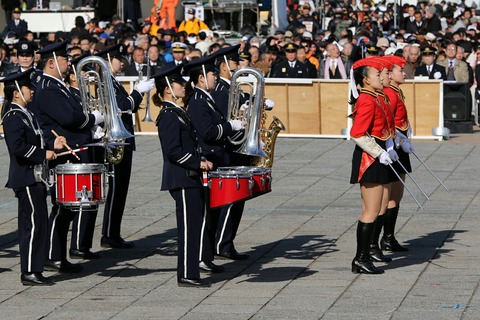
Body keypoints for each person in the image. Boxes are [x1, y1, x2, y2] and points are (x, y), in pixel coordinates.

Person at [30, 41, 104, 272]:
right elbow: (69, 118)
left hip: (73, 149)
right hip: (65, 153)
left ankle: (57, 254)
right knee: (63, 206)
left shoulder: (56, 85)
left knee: (68, 208)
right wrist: (93, 120)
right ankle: (53, 255)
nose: (69, 63)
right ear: (51, 62)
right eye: (65, 59)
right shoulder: (49, 88)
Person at [1, 69, 65, 285]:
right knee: (33, 225)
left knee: (39, 223)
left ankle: (35, 268)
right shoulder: (12, 116)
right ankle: (29, 270)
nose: (33, 91)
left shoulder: (27, 114)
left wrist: (51, 146)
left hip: (35, 176)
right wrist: (42, 154)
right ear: (17, 92)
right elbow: (17, 147)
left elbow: (35, 141)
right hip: (26, 177)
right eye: (28, 87)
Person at [153, 64, 213, 287]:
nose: (183, 86)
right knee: (188, 227)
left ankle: (191, 271)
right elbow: (173, 151)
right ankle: (187, 274)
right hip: (182, 177)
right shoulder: (169, 115)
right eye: (179, 83)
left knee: (194, 225)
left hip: (189, 176)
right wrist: (198, 162)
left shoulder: (177, 112)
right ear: (168, 89)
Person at [185, 54, 245, 273]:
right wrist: (230, 127)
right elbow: (209, 133)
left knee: (213, 211)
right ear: (201, 78)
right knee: (208, 213)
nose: (215, 78)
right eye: (212, 75)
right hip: (209, 159)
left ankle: (207, 255)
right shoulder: (199, 102)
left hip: (216, 158)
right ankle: (202, 256)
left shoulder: (206, 98)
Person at [96, 44, 154, 249]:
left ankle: (113, 232)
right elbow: (123, 106)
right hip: (115, 142)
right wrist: (138, 92)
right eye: (119, 59)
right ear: (109, 59)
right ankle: (110, 233)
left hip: (122, 140)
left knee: (120, 189)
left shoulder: (111, 80)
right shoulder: (105, 81)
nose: (122, 63)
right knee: (116, 189)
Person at [349, 58, 396, 274]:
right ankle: (361, 257)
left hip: (379, 152)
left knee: (378, 208)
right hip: (370, 157)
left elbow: (382, 126)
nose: (381, 77)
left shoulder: (376, 97)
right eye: (377, 75)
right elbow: (357, 133)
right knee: (370, 210)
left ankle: (368, 252)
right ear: (366, 80)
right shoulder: (368, 100)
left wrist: (390, 143)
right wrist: (379, 152)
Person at [210, 45, 251, 261]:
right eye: (235, 63)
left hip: (238, 148)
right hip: (228, 150)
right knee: (230, 198)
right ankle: (222, 243)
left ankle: (227, 242)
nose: (239, 66)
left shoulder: (232, 89)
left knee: (239, 198)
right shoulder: (220, 91)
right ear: (225, 67)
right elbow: (226, 119)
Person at [381, 55, 414, 253]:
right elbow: (388, 122)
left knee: (397, 195)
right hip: (393, 146)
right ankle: (386, 237)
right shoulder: (391, 94)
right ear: (390, 75)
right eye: (399, 70)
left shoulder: (396, 91)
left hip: (401, 145)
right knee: (392, 196)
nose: (403, 72)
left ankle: (389, 236)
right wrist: (401, 139)